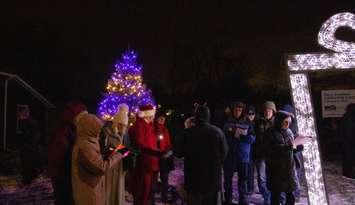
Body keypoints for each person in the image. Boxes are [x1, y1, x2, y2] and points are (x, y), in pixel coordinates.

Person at [71, 111, 128, 205]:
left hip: (92, 186)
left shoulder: (89, 140)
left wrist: (110, 153)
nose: (99, 132)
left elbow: (94, 159)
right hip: (88, 191)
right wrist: (118, 154)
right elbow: (100, 167)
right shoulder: (85, 145)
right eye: (97, 129)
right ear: (89, 128)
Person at [176, 104, 228, 205]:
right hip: (212, 179)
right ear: (208, 116)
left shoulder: (187, 133)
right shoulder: (217, 132)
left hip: (193, 179)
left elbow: (178, 152)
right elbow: (224, 153)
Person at [48, 102, 87, 205]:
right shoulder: (65, 132)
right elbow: (58, 156)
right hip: (63, 175)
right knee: (64, 199)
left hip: (65, 175)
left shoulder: (72, 130)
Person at [264, 111, 303, 205]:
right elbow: (269, 150)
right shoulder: (270, 132)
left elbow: (291, 148)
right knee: (276, 196)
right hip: (276, 170)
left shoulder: (289, 132)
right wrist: (287, 147)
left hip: (289, 170)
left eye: (289, 122)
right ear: (279, 121)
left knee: (290, 197)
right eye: (286, 122)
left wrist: (298, 147)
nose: (288, 124)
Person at [223, 101, 255, 205]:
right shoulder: (227, 121)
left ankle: (243, 200)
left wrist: (245, 137)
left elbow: (253, 137)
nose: (238, 112)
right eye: (236, 110)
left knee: (243, 181)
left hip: (243, 156)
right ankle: (228, 200)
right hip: (229, 156)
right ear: (233, 110)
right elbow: (222, 137)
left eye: (240, 110)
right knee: (228, 181)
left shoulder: (247, 122)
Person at [129, 104, 162, 205]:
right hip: (144, 165)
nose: (153, 117)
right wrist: (154, 152)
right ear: (145, 115)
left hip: (152, 164)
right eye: (151, 115)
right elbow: (140, 145)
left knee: (149, 192)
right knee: (142, 192)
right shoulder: (139, 126)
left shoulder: (150, 126)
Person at [99, 103, 130, 205]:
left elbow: (127, 148)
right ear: (117, 123)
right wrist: (116, 150)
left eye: (124, 125)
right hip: (110, 165)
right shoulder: (106, 132)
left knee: (118, 188)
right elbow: (103, 149)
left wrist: (126, 153)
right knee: (109, 190)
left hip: (120, 167)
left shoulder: (125, 134)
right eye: (121, 125)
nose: (123, 128)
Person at [253, 101, 276, 205]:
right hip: (261, 155)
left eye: (269, 110)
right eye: (266, 110)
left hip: (273, 156)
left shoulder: (277, 123)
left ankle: (273, 198)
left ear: (273, 111)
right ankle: (267, 197)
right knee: (261, 179)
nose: (267, 112)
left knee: (273, 178)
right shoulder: (259, 122)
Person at [16, 104, 43, 184]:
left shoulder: (32, 123)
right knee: (26, 164)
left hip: (30, 147)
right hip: (26, 148)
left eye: (26, 111)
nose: (24, 113)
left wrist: (31, 143)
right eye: (23, 112)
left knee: (30, 164)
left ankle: (30, 178)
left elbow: (36, 135)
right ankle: (28, 179)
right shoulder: (21, 122)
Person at [154, 110, 175, 204]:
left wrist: (168, 151)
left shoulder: (165, 129)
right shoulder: (153, 128)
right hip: (156, 157)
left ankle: (164, 197)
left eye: (164, 118)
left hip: (165, 158)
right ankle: (152, 196)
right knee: (154, 178)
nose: (162, 120)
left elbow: (168, 142)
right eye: (160, 118)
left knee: (165, 178)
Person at [338, 103, 355, 179]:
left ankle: (347, 172)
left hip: (346, 141)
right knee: (349, 157)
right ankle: (348, 173)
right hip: (348, 142)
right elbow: (349, 131)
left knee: (347, 157)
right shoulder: (349, 118)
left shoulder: (346, 117)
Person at [245, 105, 257, 195]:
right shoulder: (245, 123)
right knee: (249, 169)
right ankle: (250, 188)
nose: (251, 115)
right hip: (249, 150)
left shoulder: (257, 123)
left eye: (252, 114)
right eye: (249, 114)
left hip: (258, 150)